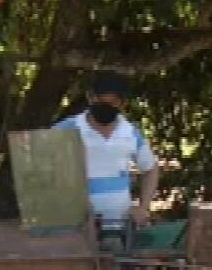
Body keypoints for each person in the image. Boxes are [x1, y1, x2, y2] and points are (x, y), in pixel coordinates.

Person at [53, 71, 160, 229]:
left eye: (113, 101)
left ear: (122, 103)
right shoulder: (65, 130)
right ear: (90, 97)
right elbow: (42, 172)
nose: (106, 105)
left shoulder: (130, 132)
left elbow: (151, 169)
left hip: (119, 228)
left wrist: (143, 208)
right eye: (100, 100)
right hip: (73, 229)